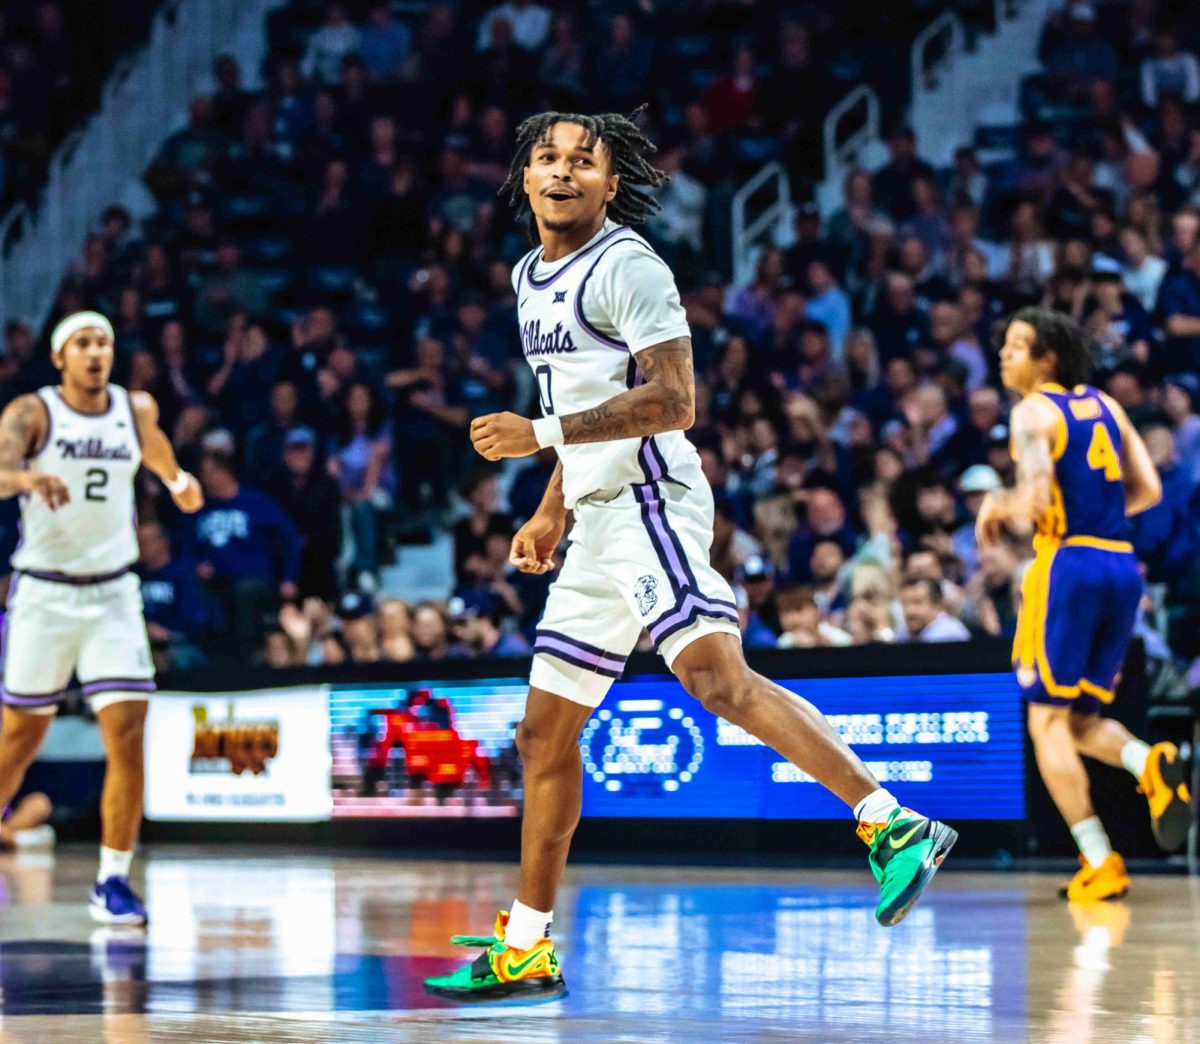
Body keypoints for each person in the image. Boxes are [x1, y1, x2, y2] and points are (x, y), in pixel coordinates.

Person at [424, 111, 956, 1002]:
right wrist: (553, 505)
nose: (563, 172)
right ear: (524, 177)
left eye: (583, 162)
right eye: (547, 159)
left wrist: (539, 436)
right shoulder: (529, 274)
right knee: (543, 734)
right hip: (593, 515)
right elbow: (578, 393)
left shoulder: (629, 265)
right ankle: (527, 946)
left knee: (714, 679)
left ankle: (890, 823)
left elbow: (673, 400)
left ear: (610, 184)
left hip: (647, 499)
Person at [977, 307, 1191, 903]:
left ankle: (1099, 860)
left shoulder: (1031, 413)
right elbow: (1146, 489)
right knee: (1078, 720)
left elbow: (1039, 498)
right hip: (1121, 566)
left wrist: (998, 506)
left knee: (1044, 720)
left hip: (1066, 565)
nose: (1004, 356)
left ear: (1048, 358)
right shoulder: (1106, 405)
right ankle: (1149, 761)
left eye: (1017, 347)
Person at [0, 311, 204, 924]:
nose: (96, 353)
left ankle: (112, 879)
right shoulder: (30, 413)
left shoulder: (133, 408)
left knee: (127, 733)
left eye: (105, 342)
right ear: (61, 356)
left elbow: (160, 456)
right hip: (43, 595)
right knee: (19, 738)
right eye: (83, 343)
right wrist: (25, 476)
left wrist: (179, 481)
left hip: (114, 594)